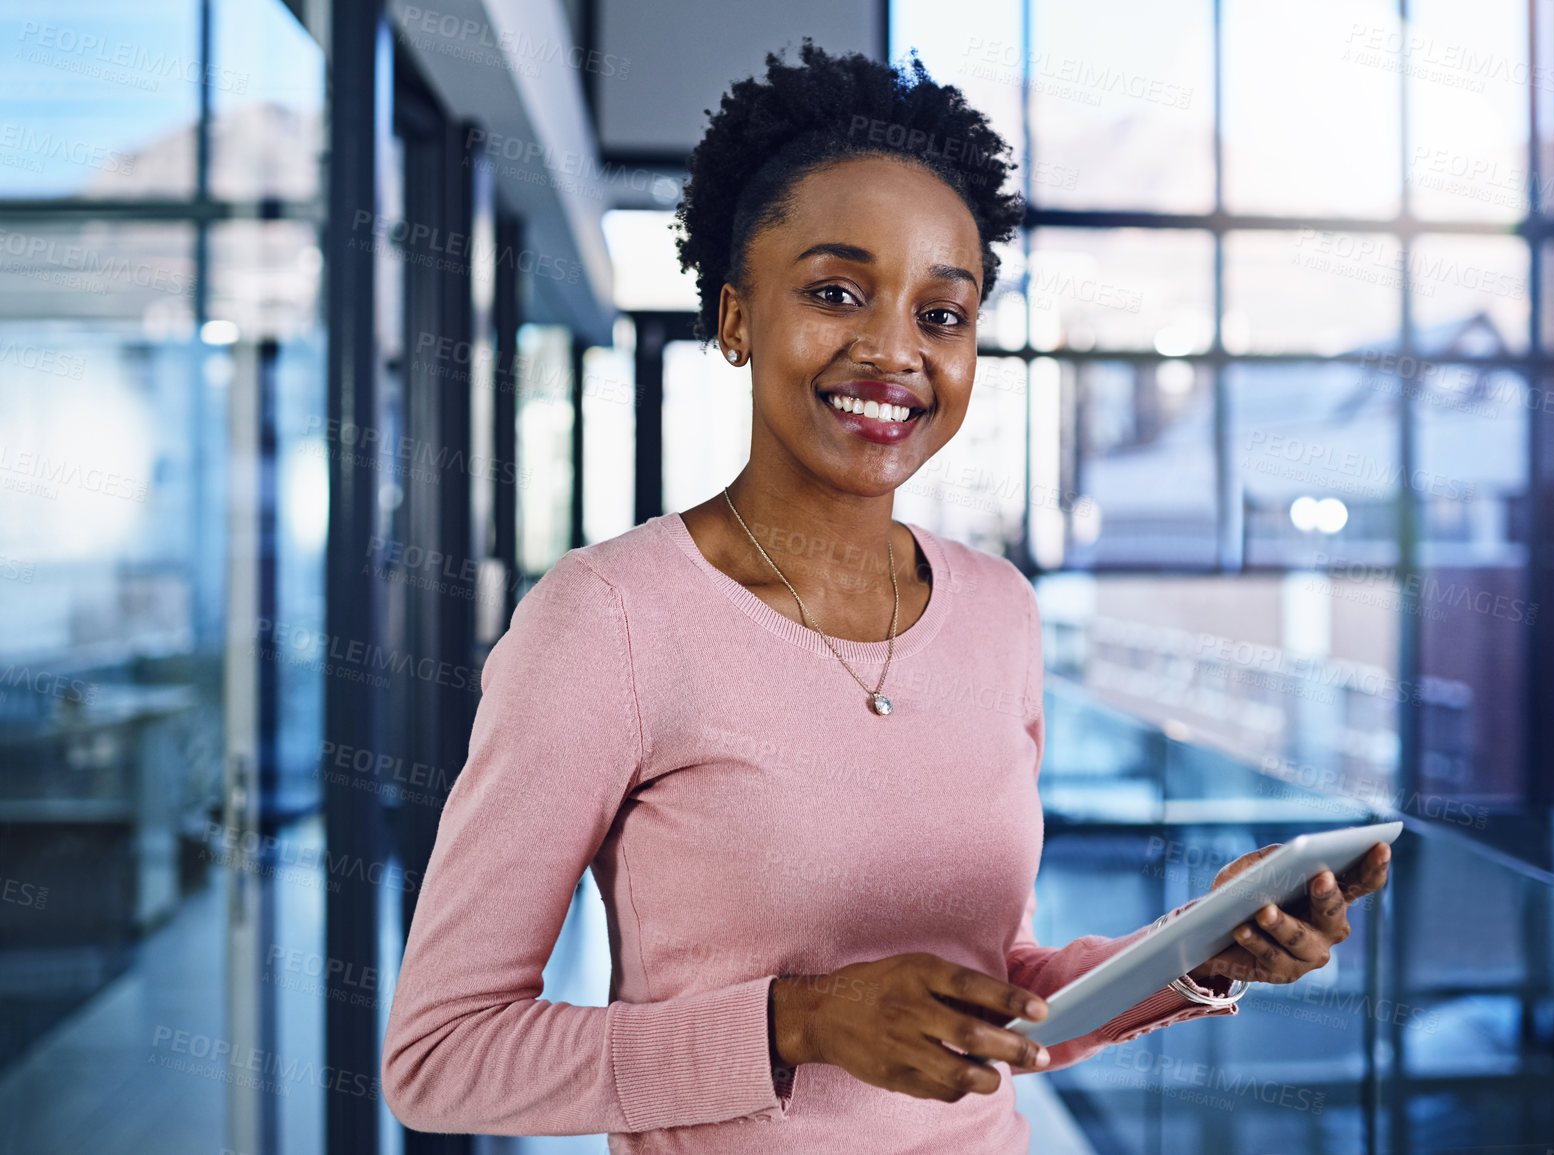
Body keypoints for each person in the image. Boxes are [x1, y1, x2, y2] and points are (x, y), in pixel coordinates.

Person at [380, 38, 1390, 1153]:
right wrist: (797, 1023)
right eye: (835, 292)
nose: (892, 352)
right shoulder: (607, 619)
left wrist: (1201, 951)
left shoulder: (999, 611)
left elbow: (998, 995)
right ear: (733, 319)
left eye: (942, 315)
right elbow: (443, 1060)